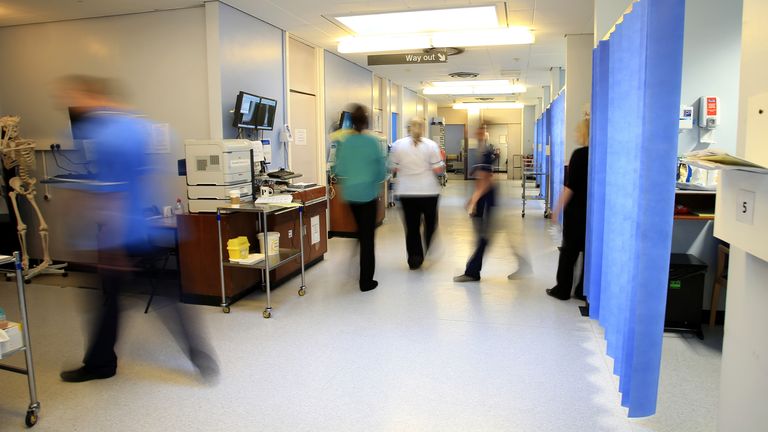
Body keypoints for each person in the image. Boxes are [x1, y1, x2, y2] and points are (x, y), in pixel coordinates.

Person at [55, 75, 218, 382]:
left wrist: (109, 243)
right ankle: (199, 355)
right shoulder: (137, 127)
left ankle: (101, 364)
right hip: (141, 225)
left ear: (91, 96)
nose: (70, 103)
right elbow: (143, 177)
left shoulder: (102, 135)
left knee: (111, 299)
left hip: (118, 232)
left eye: (73, 96)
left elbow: (111, 191)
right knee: (152, 297)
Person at [333, 104, 387, 292]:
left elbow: (338, 169)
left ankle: (352, 265)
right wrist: (378, 184)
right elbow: (381, 171)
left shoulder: (345, 142)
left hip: (351, 195)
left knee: (361, 232)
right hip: (367, 195)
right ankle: (366, 282)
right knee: (367, 239)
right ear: (366, 122)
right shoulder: (371, 142)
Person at [390, 119, 444, 270]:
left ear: (407, 128)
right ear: (423, 129)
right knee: (430, 224)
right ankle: (426, 246)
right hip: (429, 192)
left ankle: (415, 258)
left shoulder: (397, 145)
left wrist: (407, 169)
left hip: (407, 193)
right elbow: (438, 170)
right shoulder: (431, 145)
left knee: (412, 227)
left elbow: (393, 168)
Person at [547, 115, 590, 301]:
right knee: (589, 251)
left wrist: (556, 210)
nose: (575, 133)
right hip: (593, 212)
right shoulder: (603, 154)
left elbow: (569, 188)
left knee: (569, 252)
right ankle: (583, 290)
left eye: (577, 130)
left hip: (576, 212)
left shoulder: (580, 155)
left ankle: (562, 289)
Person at [454, 125, 496, 282]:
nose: (478, 134)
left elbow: (485, 182)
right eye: (478, 130)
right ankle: (473, 270)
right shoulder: (482, 152)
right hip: (485, 199)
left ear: (486, 133)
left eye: (482, 131)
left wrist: (473, 201)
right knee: (483, 237)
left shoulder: (485, 152)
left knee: (483, 238)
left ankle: (472, 271)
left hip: (485, 200)